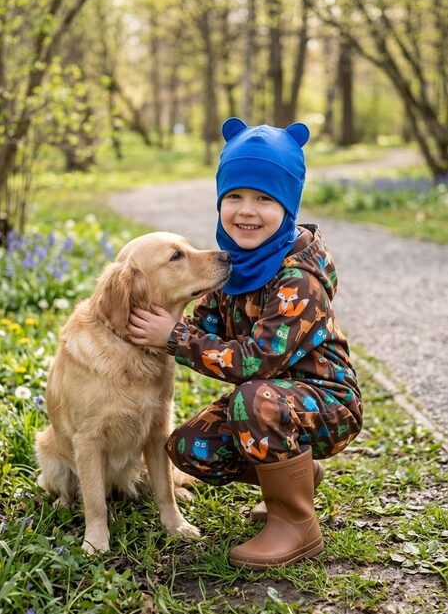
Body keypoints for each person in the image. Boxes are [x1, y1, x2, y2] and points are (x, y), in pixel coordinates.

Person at [128, 117, 363, 570]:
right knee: (189, 446)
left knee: (255, 398)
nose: (246, 211)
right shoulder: (232, 265)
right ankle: (295, 476)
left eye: (264, 198)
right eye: (233, 196)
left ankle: (296, 526)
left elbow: (256, 361)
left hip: (328, 404)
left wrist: (174, 338)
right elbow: (206, 327)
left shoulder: (299, 277)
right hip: (269, 405)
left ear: (288, 205)